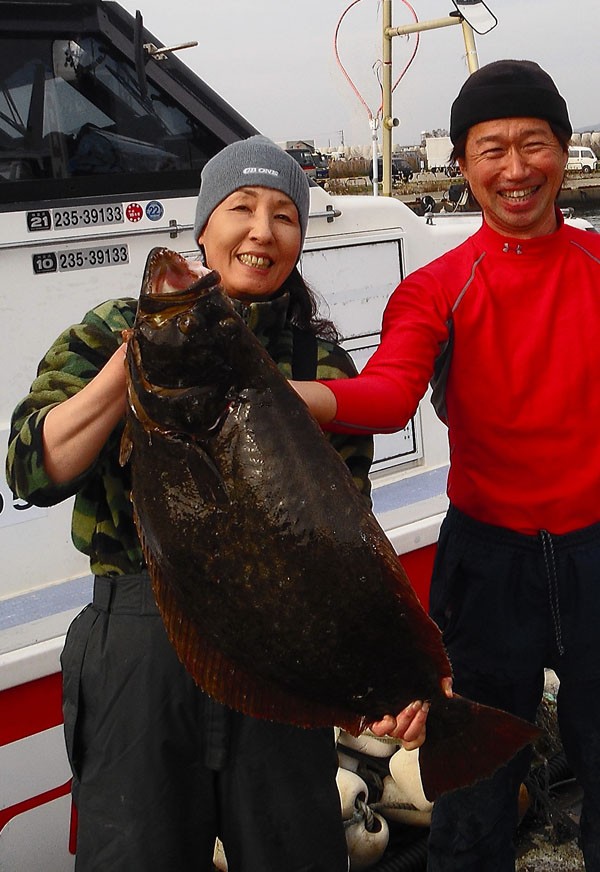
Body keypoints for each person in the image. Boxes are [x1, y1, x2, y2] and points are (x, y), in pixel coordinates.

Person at [6, 135, 427, 872]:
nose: (262, 229)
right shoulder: (113, 331)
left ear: (299, 240)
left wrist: (396, 675)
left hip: (272, 649)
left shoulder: (318, 364)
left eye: (284, 215)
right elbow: (32, 471)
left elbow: (343, 534)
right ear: (203, 227)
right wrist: (139, 355)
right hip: (138, 642)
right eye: (241, 207)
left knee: (294, 854)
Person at [292, 60, 600, 872]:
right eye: (490, 148)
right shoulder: (438, 285)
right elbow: (388, 396)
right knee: (472, 796)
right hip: (485, 566)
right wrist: (277, 397)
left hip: (597, 548)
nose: (515, 168)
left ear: (562, 152)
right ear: (462, 165)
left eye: (533, 143)